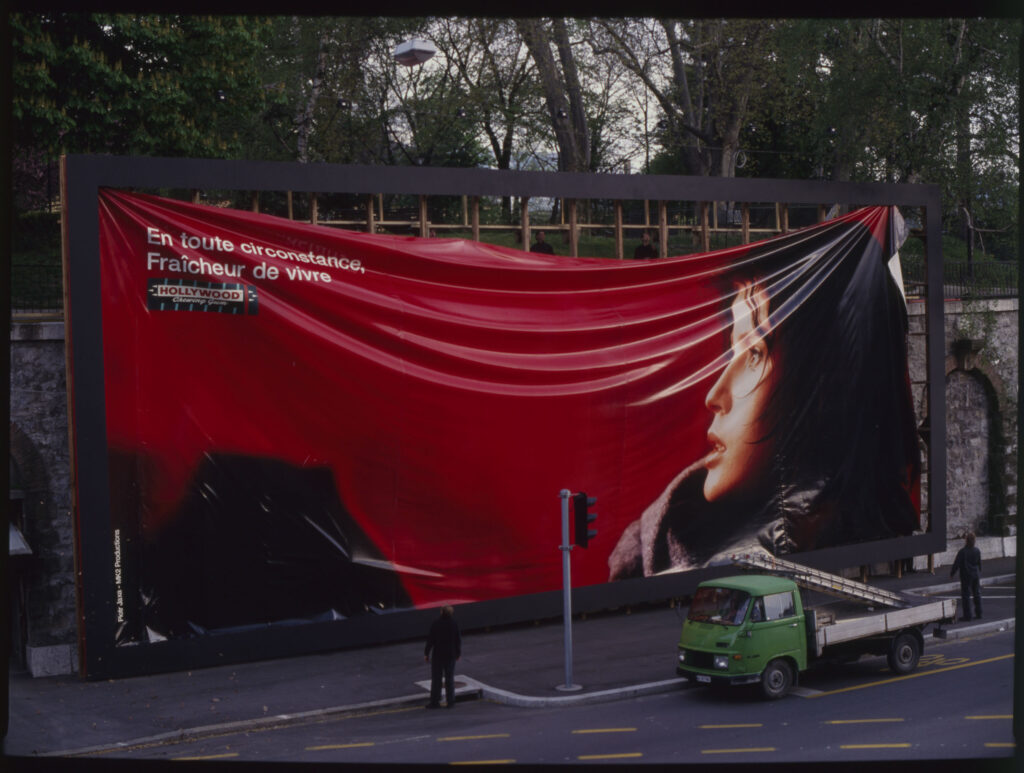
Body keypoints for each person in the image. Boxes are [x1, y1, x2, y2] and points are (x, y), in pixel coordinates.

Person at [608, 214, 921, 579]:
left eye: (753, 352)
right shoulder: (648, 548)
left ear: (822, 389)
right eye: (734, 353)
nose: (714, 395)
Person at [424, 605, 462, 708]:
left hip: (438, 654)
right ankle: (451, 701)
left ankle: (435, 701)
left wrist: (426, 653)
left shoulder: (436, 623)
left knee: (436, 679)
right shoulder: (454, 624)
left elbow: (430, 640)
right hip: (450, 654)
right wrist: (458, 653)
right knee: (449, 678)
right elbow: (457, 640)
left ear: (441, 612)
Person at [950, 532, 982, 621]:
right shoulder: (977, 550)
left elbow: (956, 564)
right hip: (975, 574)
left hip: (966, 575)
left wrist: (952, 573)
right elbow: (979, 563)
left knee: (966, 595)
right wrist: (979, 570)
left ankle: (968, 616)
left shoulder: (962, 552)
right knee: (977, 594)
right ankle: (979, 613)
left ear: (966, 541)